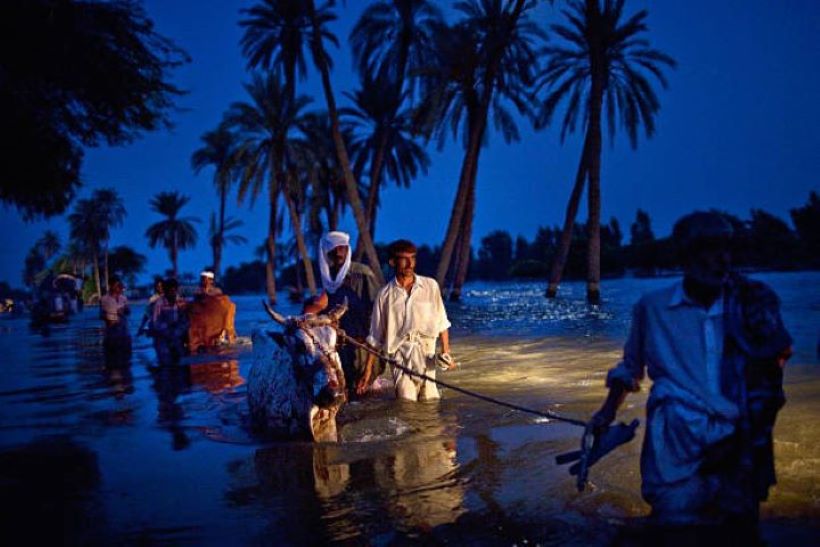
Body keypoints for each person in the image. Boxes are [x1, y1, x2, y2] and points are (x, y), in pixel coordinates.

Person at [590, 211, 792, 535]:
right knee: (674, 523)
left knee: (739, 528)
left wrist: (750, 421)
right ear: (685, 256)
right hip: (675, 438)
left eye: (726, 250)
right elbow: (630, 368)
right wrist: (605, 415)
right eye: (708, 250)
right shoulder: (652, 308)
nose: (721, 260)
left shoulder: (753, 304)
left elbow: (776, 362)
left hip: (739, 439)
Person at [362, 239, 455, 401]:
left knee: (431, 400)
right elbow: (375, 338)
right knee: (406, 401)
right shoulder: (384, 295)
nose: (409, 263)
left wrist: (446, 353)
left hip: (427, 352)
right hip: (399, 355)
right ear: (393, 262)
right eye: (404, 259)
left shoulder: (430, 286)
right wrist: (367, 372)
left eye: (412, 258)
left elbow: (442, 322)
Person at [318, 231, 380, 397]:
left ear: (347, 249)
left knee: (366, 400)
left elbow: (377, 317)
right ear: (327, 253)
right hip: (340, 352)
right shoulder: (328, 279)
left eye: (342, 247)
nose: (338, 252)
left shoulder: (363, 273)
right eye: (333, 248)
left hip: (363, 350)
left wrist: (368, 368)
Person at [151, 278, 188, 365]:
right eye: (170, 291)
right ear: (165, 292)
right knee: (165, 361)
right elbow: (155, 322)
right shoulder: (159, 303)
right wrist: (167, 328)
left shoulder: (180, 302)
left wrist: (179, 330)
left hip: (177, 335)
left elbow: (185, 320)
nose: (173, 294)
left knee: (181, 360)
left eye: (174, 291)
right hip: (162, 337)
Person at [99, 276, 131, 359]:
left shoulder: (123, 298)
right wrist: (112, 318)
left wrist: (125, 310)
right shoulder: (104, 299)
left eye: (120, 285)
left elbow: (128, 312)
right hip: (111, 333)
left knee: (126, 357)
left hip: (124, 331)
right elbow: (101, 315)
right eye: (117, 285)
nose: (119, 288)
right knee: (112, 357)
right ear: (111, 286)